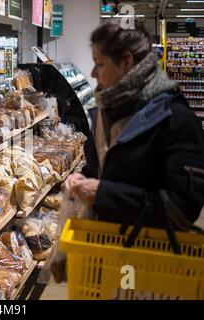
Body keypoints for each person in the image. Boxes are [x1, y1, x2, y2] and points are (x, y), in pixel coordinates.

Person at [64, 20, 204, 229]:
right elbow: (101, 171)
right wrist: (82, 179)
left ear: (126, 61)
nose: (93, 73)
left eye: (100, 63)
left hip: (149, 252)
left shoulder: (175, 119)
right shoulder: (105, 112)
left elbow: (182, 208)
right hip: (101, 246)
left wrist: (103, 194)